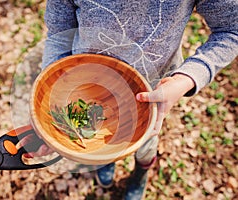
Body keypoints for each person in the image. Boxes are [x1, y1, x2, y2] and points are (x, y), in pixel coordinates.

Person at [23, 0, 238, 199]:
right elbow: (60, 34)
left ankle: (140, 172)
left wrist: (185, 79)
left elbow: (231, 29)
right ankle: (105, 162)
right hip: (88, 90)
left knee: (145, 146)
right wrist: (49, 103)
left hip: (149, 98)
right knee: (97, 140)